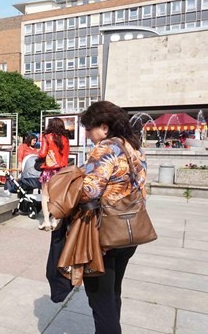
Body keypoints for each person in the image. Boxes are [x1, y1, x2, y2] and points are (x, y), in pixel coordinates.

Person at [78, 100, 147, 334]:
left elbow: (90, 191)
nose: (87, 134)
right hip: (130, 230)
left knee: (100, 299)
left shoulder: (105, 148)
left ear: (104, 127)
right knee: (113, 293)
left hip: (105, 233)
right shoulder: (134, 147)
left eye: (89, 128)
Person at [38, 117, 70, 230]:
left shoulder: (47, 137)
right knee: (57, 196)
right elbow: (66, 155)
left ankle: (46, 221)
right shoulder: (65, 139)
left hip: (49, 170)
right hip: (62, 170)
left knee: (45, 196)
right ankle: (55, 220)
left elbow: (42, 154)